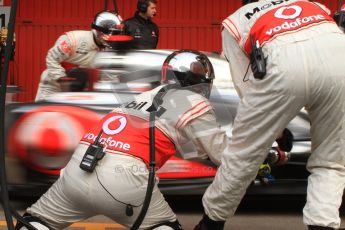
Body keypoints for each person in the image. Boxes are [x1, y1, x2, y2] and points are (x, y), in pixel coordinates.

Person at [15, 50, 231, 230]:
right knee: (163, 226)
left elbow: (185, 148)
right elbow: (222, 154)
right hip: (124, 177)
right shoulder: (195, 102)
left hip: (79, 166)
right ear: (203, 83)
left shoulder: (143, 97)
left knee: (36, 223)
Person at [194, 0, 345, 230]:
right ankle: (322, 226)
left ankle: (210, 223)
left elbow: (245, 83)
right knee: (331, 160)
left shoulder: (235, 20)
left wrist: (274, 131)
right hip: (339, 60)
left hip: (282, 64)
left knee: (243, 154)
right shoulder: (311, 3)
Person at [35, 10, 133, 101]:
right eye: (112, 33)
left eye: (116, 34)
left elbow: (108, 76)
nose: (113, 38)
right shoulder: (72, 39)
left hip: (79, 90)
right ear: (98, 31)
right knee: (42, 115)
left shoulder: (108, 51)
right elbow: (52, 58)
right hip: (53, 86)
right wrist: (62, 79)